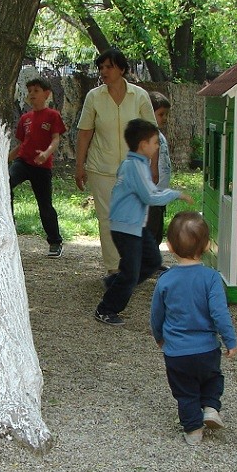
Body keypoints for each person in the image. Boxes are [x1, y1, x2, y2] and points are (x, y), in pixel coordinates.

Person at [150, 212, 237, 446]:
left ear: (170, 246)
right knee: (212, 378)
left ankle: (193, 430)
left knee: (185, 391)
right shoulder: (211, 278)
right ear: (208, 246)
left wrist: (159, 337)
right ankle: (210, 407)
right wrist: (230, 340)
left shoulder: (166, 279)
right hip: (207, 348)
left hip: (177, 351)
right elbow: (220, 313)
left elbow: (156, 314)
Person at [94, 119, 192, 326]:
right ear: (143, 144)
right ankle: (106, 309)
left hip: (136, 225)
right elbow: (150, 197)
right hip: (126, 227)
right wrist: (176, 194)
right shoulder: (135, 167)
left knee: (153, 261)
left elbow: (147, 191)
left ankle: (114, 283)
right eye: (155, 142)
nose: (157, 147)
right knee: (131, 274)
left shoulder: (136, 164)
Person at [76, 48, 157, 274]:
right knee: (107, 219)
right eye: (101, 67)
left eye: (109, 67)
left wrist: (153, 166)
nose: (104, 71)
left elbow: (152, 134)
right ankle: (114, 268)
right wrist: (79, 165)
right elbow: (84, 132)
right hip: (101, 168)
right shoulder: (94, 97)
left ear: (121, 69)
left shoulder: (139, 96)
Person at [9, 77, 67, 258]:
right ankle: (10, 222)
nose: (32, 94)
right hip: (23, 162)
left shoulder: (53, 115)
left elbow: (55, 139)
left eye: (36, 91)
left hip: (42, 166)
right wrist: (6, 159)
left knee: (45, 205)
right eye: (30, 91)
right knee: (5, 183)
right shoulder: (25, 118)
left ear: (47, 94)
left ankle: (55, 242)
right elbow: (21, 144)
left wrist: (46, 153)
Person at [145, 91, 172, 249]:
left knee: (157, 230)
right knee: (150, 228)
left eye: (166, 114)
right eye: (161, 114)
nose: (165, 118)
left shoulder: (158, 134)